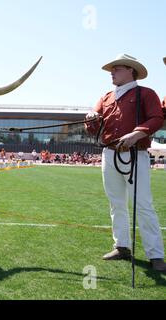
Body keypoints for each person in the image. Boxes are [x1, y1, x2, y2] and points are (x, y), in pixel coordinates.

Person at [85, 54, 165, 272]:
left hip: (135, 153)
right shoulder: (106, 97)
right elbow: (93, 128)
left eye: (116, 68)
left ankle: (156, 255)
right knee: (116, 203)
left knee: (143, 205)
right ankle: (121, 246)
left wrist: (137, 134)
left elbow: (157, 118)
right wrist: (90, 118)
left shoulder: (146, 93)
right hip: (109, 155)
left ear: (131, 70)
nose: (112, 72)